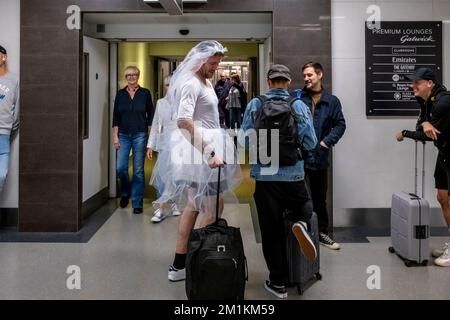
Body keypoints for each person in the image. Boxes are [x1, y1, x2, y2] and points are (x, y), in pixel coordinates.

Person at [153, 41, 241, 282]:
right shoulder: (192, 82)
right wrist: (210, 153)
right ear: (201, 60)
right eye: (213, 63)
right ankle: (199, 263)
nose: (216, 67)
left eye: (218, 63)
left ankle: (180, 264)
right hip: (202, 152)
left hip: (203, 148)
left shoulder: (205, 80)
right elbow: (183, 121)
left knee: (194, 206)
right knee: (212, 208)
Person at [239, 64, 318, 299]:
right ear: (288, 82)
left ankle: (278, 284)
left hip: (265, 177)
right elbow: (311, 142)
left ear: (268, 81)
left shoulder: (256, 104)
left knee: (270, 230)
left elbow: (243, 141)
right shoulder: (298, 105)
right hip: (293, 174)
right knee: (304, 205)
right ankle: (301, 223)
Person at [395, 67, 450, 267]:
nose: (412, 86)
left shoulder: (443, 101)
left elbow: (426, 134)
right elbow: (422, 126)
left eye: (416, 82)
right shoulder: (425, 101)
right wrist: (425, 122)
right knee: (442, 197)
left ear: (429, 83)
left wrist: (405, 132)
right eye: (412, 82)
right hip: (444, 153)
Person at [298, 62, 346, 250]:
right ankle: (301, 232)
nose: (306, 79)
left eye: (309, 75)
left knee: (319, 197)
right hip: (299, 157)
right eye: (304, 76)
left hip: (319, 157)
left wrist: (326, 142)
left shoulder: (331, 101)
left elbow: (340, 125)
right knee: (298, 197)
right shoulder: (298, 98)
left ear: (320, 75)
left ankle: (321, 233)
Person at [112, 66, 154, 214]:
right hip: (123, 135)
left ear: (138, 76)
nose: (131, 77)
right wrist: (115, 136)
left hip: (140, 135)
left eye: (134, 74)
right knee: (121, 168)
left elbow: (151, 118)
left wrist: (151, 141)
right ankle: (125, 193)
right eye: (128, 75)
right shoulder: (120, 94)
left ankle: (137, 202)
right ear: (125, 77)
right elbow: (116, 116)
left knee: (138, 170)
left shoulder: (145, 93)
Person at [146, 75, 181, 223]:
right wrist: (150, 145)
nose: (170, 87)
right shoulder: (160, 103)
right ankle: (160, 209)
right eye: (167, 84)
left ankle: (174, 203)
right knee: (161, 176)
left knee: (177, 176)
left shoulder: (184, 103)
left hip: (180, 144)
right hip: (164, 143)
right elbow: (155, 125)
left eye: (172, 84)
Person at [0, 45, 19, 194]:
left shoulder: (14, 80)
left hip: (3, 134)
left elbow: (18, 111)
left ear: (4, 57)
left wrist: (9, 129)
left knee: (1, 175)